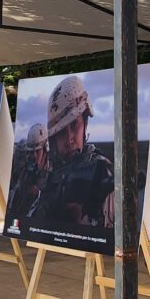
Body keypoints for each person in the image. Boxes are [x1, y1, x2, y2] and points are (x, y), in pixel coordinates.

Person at [33, 75, 115, 229]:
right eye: (62, 132)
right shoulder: (51, 171)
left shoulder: (100, 170)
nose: (70, 139)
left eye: (75, 124)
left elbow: (108, 232)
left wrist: (79, 220)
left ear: (85, 123)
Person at [8, 123, 51, 224]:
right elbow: (15, 197)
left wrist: (38, 193)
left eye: (37, 151)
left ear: (45, 148)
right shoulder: (27, 170)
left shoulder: (53, 172)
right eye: (31, 152)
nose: (33, 156)